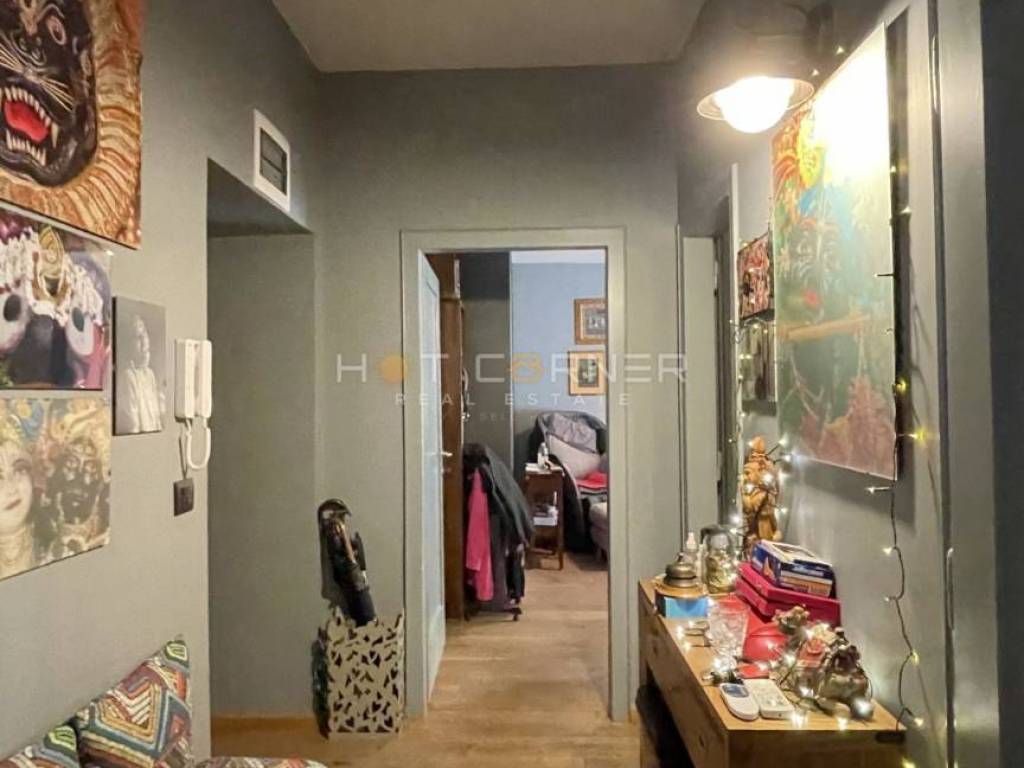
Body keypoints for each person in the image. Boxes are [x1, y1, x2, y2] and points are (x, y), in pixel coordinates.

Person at [117, 313, 164, 433]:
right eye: (138, 337)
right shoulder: (128, 377)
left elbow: (158, 421)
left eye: (145, 334)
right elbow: (133, 427)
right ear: (129, 344)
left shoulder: (150, 374)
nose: (145, 341)